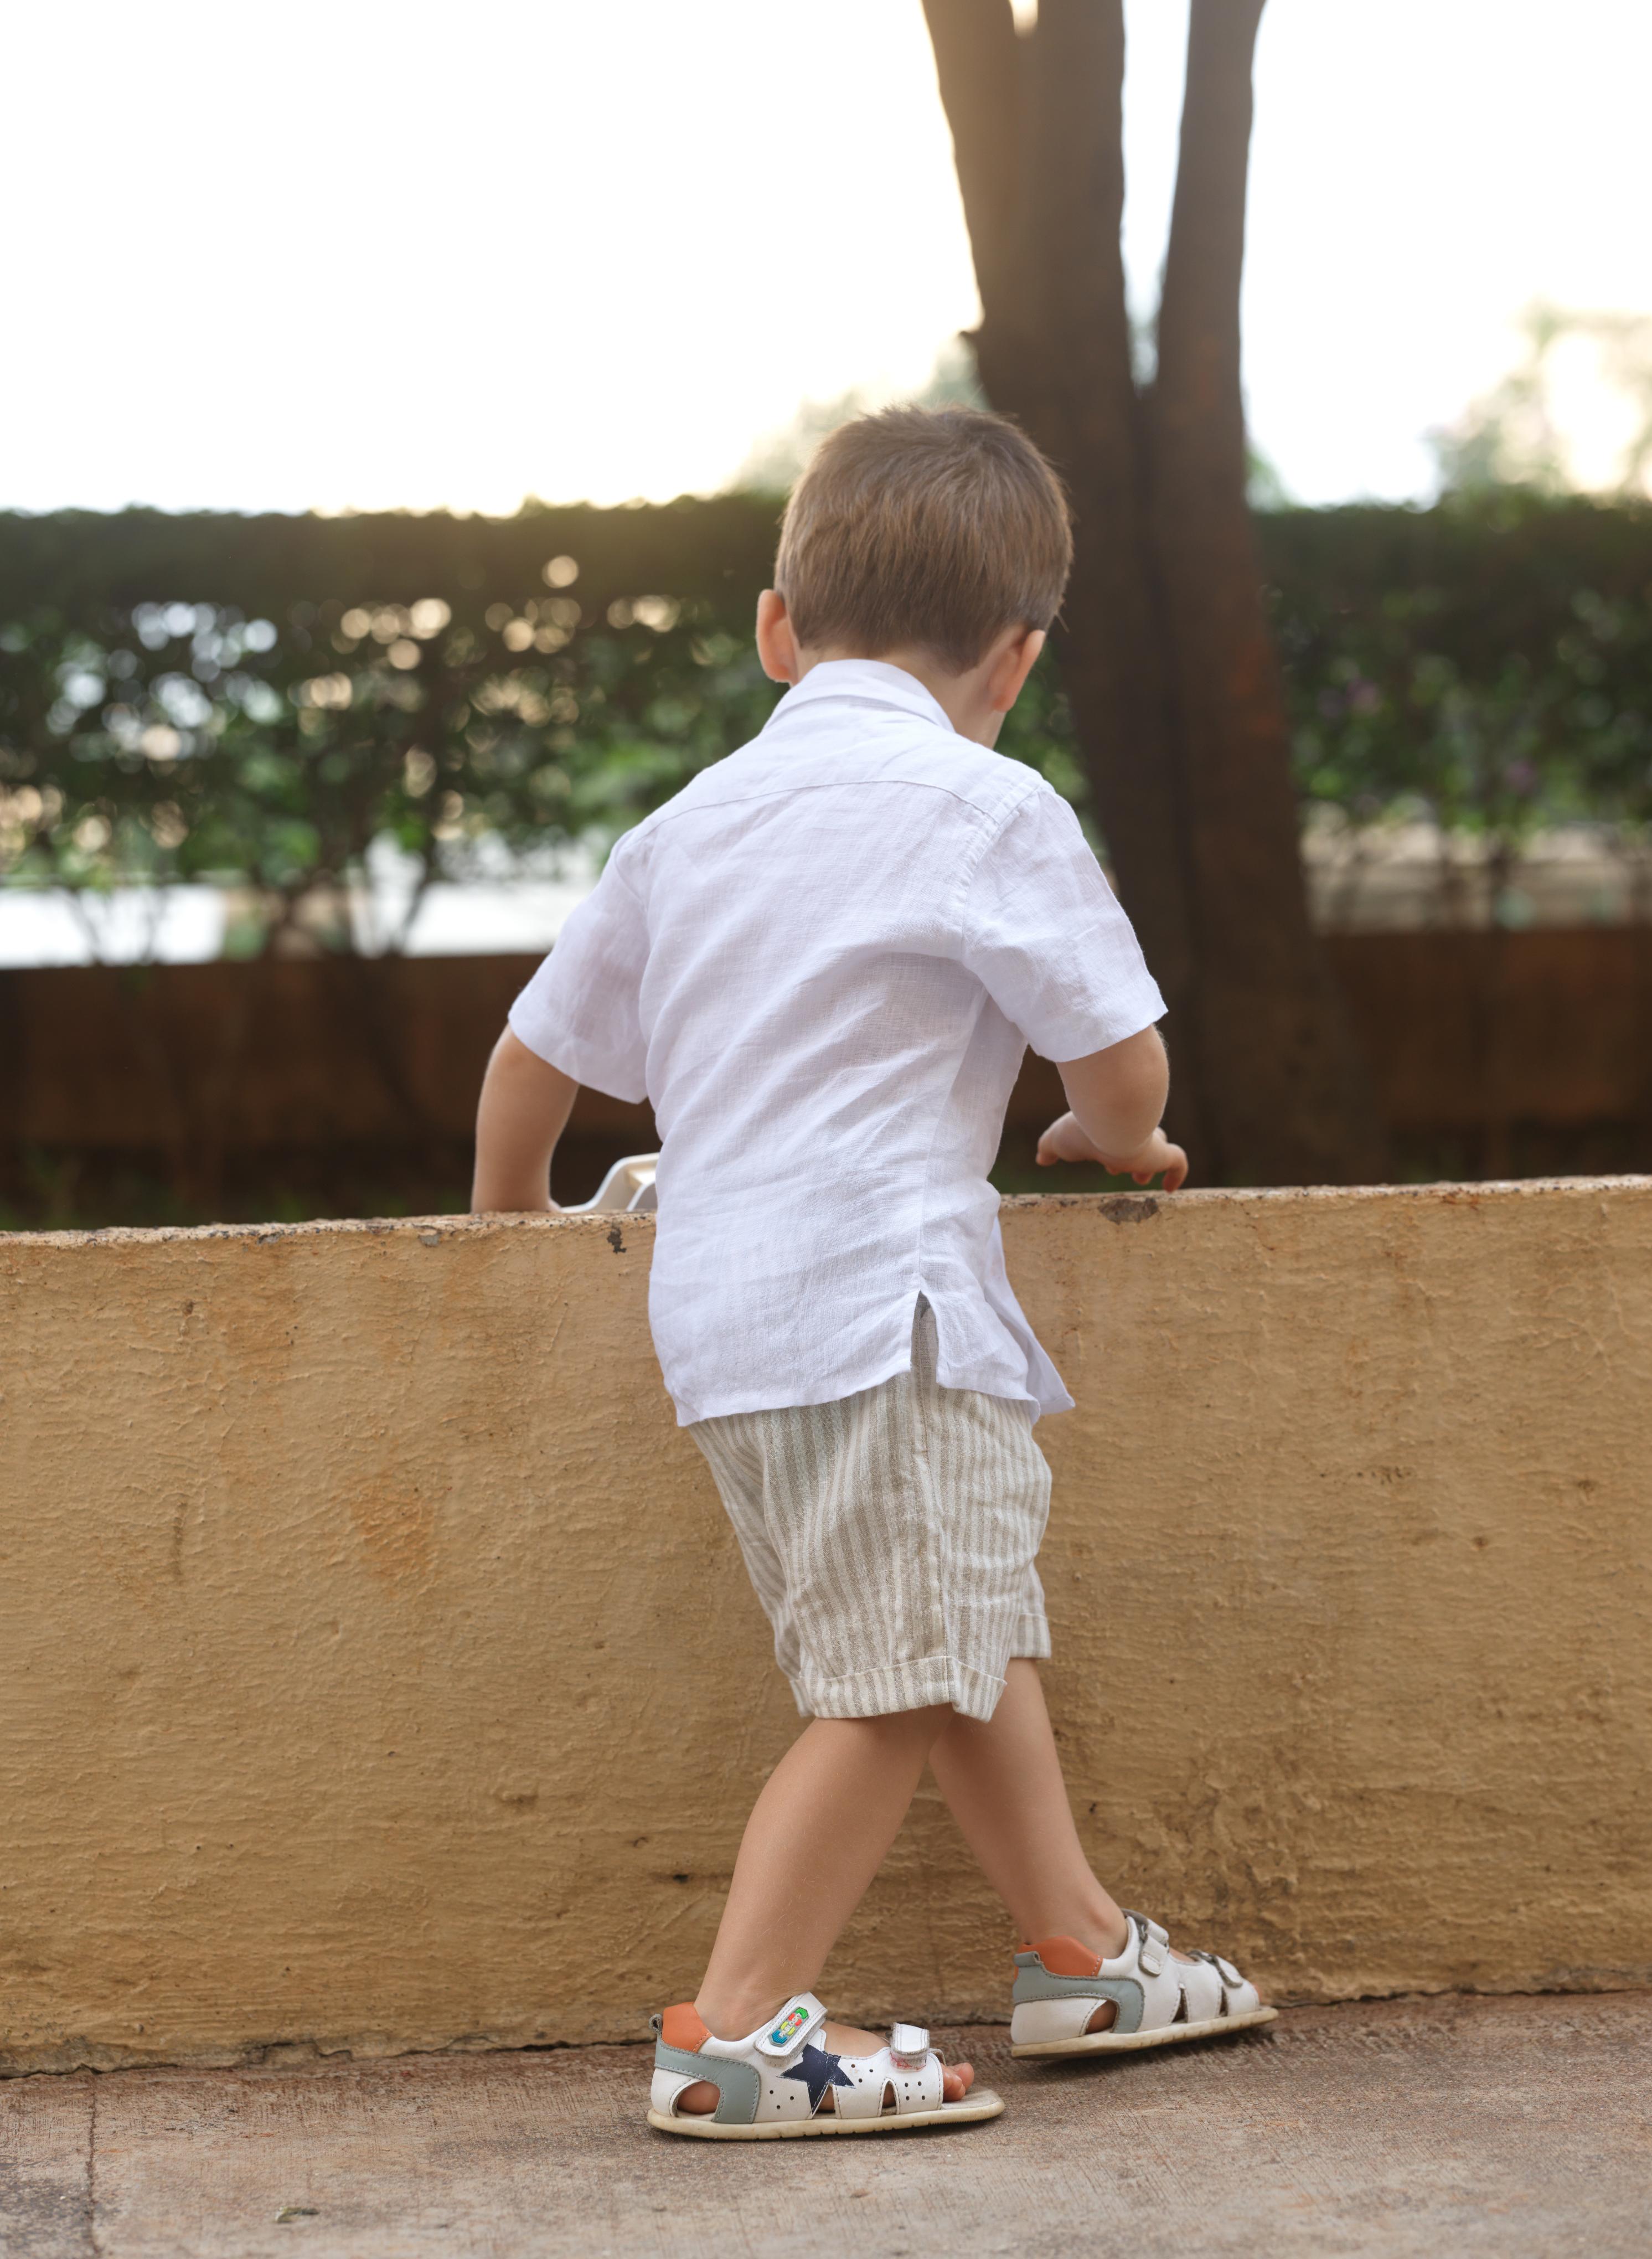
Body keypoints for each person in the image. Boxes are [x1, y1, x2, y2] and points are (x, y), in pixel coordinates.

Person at [471, 408, 1273, 2142]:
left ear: (778, 629)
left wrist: (507, 1223)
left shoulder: (688, 825)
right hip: (879, 1301)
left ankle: (1083, 1949)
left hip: (729, 1316)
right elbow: (1120, 1060)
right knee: (901, 1676)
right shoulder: (984, 804)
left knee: (960, 1627)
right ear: (1016, 658)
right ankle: (735, 2035)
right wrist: (1105, 1143)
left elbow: (533, 1058)